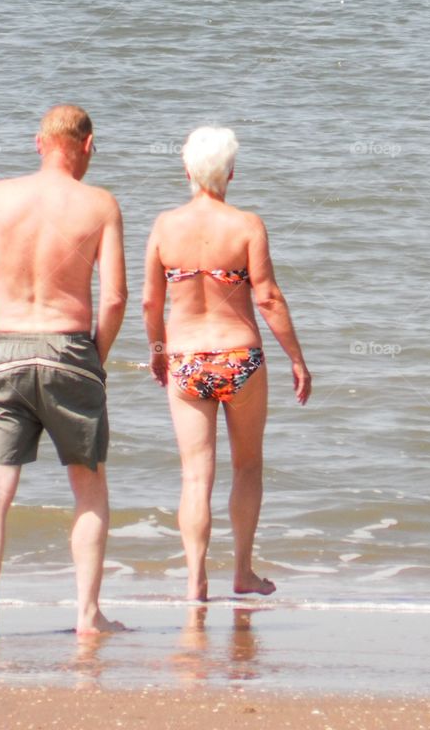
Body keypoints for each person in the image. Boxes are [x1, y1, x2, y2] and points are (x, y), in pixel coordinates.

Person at [0, 104, 127, 639]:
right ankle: (87, 616)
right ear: (87, 144)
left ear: (39, 143)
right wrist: (94, 358)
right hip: (71, 350)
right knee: (89, 489)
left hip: (5, 350)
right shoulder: (100, 204)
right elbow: (117, 298)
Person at [143, 126, 311, 602]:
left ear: (187, 170)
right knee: (247, 468)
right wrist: (298, 359)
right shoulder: (246, 225)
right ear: (231, 173)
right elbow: (269, 299)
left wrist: (158, 355)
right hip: (240, 357)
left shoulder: (164, 226)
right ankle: (242, 571)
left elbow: (150, 304)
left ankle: (195, 578)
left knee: (196, 475)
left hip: (186, 357)